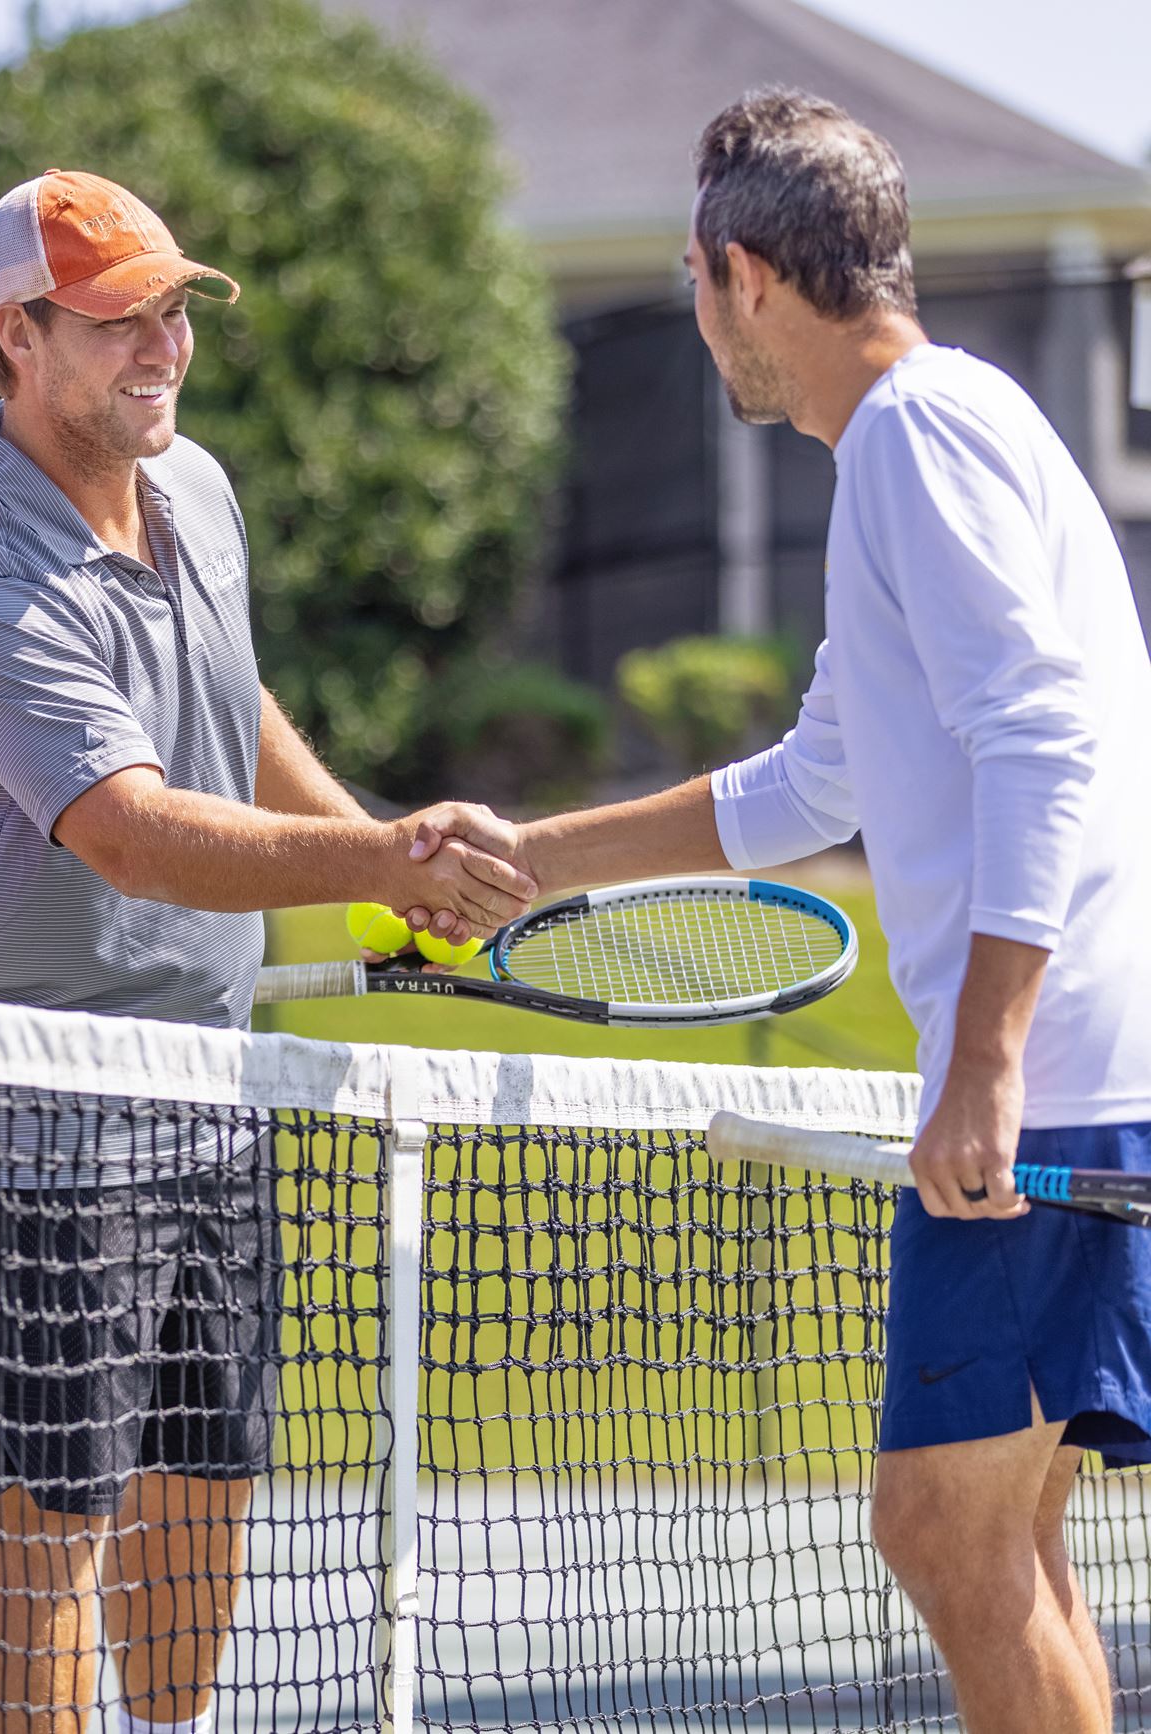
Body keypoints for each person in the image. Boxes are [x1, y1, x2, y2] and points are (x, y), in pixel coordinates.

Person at [416, 92, 1151, 1734]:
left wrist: (986, 1062)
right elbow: (813, 782)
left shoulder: (911, 436)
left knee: (943, 1531)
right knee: (1006, 1538)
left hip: (1057, 1095)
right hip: (1078, 1087)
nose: (698, 317)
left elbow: (1041, 728)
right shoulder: (940, 433)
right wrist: (531, 857)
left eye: (693, 278)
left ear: (745, 275)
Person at [0, 169, 535, 1734]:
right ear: (16, 341)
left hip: (208, 1097)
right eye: (115, 320)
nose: (160, 344)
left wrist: (383, 877)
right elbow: (135, 829)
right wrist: (388, 853)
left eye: (173, 309)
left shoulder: (203, 493)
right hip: (27, 1124)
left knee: (208, 1484)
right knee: (52, 1524)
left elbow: (229, 708)